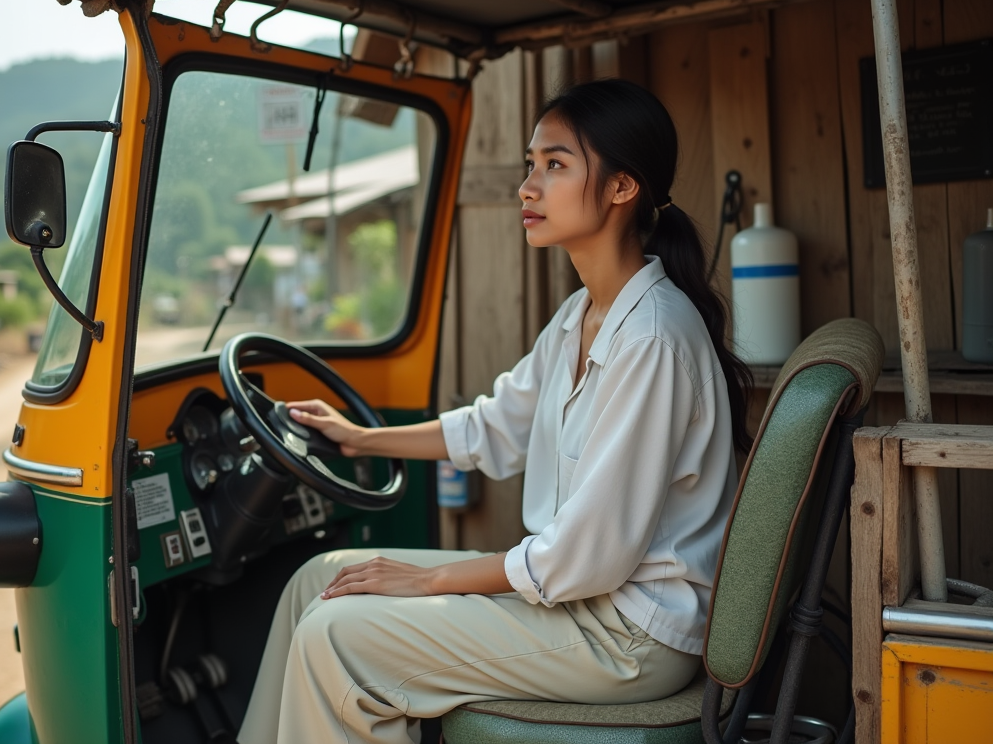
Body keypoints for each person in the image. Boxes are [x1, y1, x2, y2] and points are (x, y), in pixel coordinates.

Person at [237, 79, 753, 744]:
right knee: (319, 582)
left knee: (338, 635)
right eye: (529, 165)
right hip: (579, 601)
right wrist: (362, 439)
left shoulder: (651, 337)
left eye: (556, 165)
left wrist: (433, 581)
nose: (528, 187)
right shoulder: (581, 315)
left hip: (628, 636)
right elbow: (493, 426)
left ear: (623, 187)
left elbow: (587, 556)